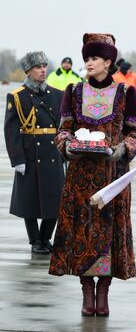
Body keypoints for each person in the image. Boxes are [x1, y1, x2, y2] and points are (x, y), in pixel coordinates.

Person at [49, 33, 136, 317]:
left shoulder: (126, 93)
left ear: (108, 61)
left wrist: (122, 149)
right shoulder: (74, 91)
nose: (89, 63)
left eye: (94, 58)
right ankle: (86, 292)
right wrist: (67, 146)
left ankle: (103, 294)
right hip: (80, 175)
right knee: (83, 231)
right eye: (87, 58)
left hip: (112, 176)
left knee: (107, 233)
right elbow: (63, 129)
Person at [4, 51, 64, 254]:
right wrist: (17, 158)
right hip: (30, 152)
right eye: (38, 67)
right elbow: (11, 130)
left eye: (44, 66)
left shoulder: (57, 94)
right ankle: (35, 240)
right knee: (29, 199)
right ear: (28, 71)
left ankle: (46, 237)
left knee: (56, 198)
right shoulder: (17, 96)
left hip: (53, 152)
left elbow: (64, 126)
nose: (43, 70)